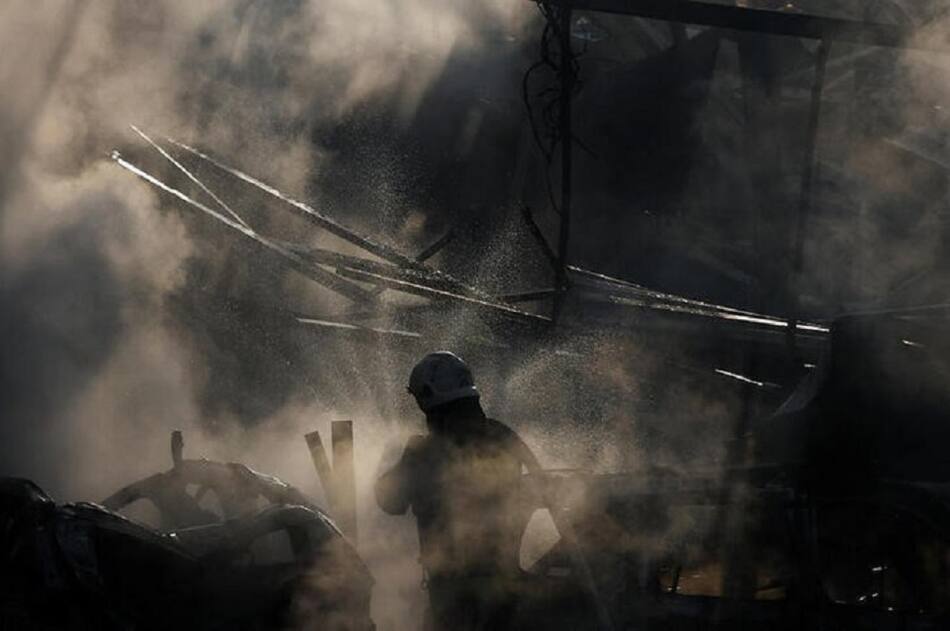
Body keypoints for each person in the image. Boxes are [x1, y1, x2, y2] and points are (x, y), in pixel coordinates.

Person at [375, 351, 541, 631]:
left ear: (430, 397)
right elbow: (539, 482)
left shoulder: (425, 452)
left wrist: (407, 458)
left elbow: (390, 501)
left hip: (453, 600)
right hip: (508, 590)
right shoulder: (504, 435)